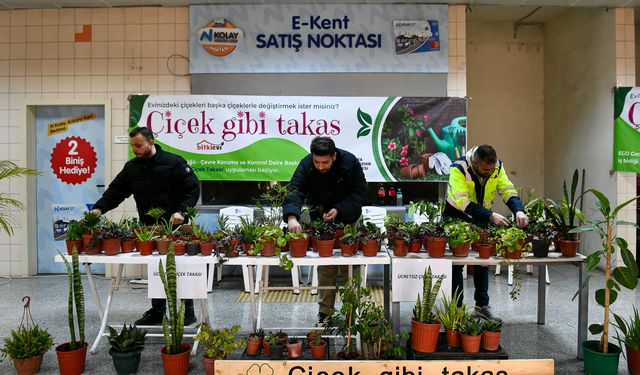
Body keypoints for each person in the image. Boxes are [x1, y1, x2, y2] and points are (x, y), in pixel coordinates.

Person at [91, 127, 200, 326]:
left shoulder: (174, 163)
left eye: (138, 145)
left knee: (181, 269)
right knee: (155, 269)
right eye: (133, 145)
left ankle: (187, 311)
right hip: (148, 229)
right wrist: (99, 209)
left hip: (175, 227)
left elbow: (192, 189)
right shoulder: (132, 168)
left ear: (151, 141)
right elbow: (116, 191)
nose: (135, 149)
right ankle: (158, 312)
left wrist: (181, 211)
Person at [283, 136, 367, 326]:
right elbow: (294, 190)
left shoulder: (350, 162)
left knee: (351, 268)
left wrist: (339, 209)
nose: (320, 166)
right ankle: (324, 313)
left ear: (334, 156)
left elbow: (359, 194)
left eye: (325, 162)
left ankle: (351, 312)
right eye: (317, 162)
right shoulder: (306, 165)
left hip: (349, 220)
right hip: (320, 220)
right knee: (325, 266)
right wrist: (292, 217)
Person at [443, 144, 528, 322]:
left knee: (483, 261)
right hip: (457, 217)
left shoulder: (497, 167)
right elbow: (462, 202)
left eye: (492, 168)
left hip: (481, 218)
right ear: (474, 162)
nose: (489, 172)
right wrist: (491, 215)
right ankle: (457, 310)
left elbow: (507, 190)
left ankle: (482, 306)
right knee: (457, 264)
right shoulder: (458, 168)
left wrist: (518, 210)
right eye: (485, 169)